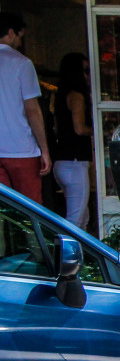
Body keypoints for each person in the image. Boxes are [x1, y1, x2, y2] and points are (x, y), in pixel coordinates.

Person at [0, 12, 51, 204]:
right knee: (30, 208)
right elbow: (32, 110)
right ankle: (27, 236)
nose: (20, 43)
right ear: (11, 33)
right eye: (21, 37)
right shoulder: (22, 63)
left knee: (3, 210)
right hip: (21, 149)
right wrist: (44, 149)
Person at [51, 53, 93, 229]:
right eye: (86, 70)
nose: (89, 75)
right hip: (74, 162)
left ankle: (79, 254)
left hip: (63, 162)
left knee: (82, 217)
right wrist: (99, 130)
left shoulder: (60, 95)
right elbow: (79, 128)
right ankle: (67, 256)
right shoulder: (77, 96)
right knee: (75, 220)